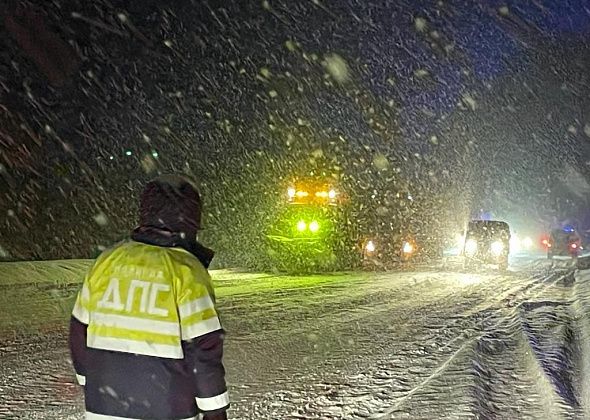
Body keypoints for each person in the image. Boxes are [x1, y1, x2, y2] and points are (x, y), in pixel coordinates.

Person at [69, 174, 229, 420]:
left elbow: (79, 331)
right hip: (169, 409)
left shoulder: (107, 261)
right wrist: (214, 410)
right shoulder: (187, 271)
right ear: (190, 222)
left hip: (105, 406)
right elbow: (203, 347)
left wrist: (90, 381)